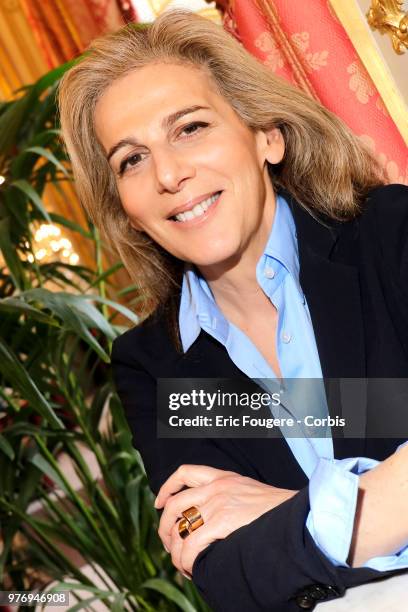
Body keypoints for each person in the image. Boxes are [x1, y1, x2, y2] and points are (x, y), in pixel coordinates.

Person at [58, 9, 408, 611]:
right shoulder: (155, 366)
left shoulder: (390, 236)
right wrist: (378, 502)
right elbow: (227, 573)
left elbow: (267, 556)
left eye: (190, 128)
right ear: (123, 206)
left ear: (265, 136)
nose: (168, 173)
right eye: (131, 160)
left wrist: (287, 513)